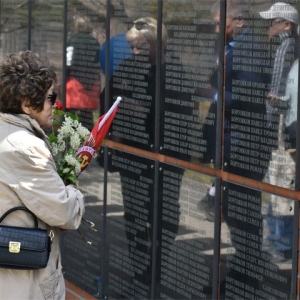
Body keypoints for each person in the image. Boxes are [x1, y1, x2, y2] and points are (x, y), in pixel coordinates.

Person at [0, 51, 85, 299]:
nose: (55, 105)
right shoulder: (25, 147)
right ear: (27, 103)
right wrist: (72, 190)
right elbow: (63, 212)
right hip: (22, 284)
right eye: (50, 98)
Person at [259, 2, 299, 262]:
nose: (268, 27)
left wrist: (274, 105)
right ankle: (276, 239)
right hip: (279, 128)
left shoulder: (289, 47)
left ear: (286, 25)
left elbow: (286, 95)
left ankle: (281, 244)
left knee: (282, 187)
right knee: (276, 186)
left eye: (272, 22)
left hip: (283, 130)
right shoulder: (282, 47)